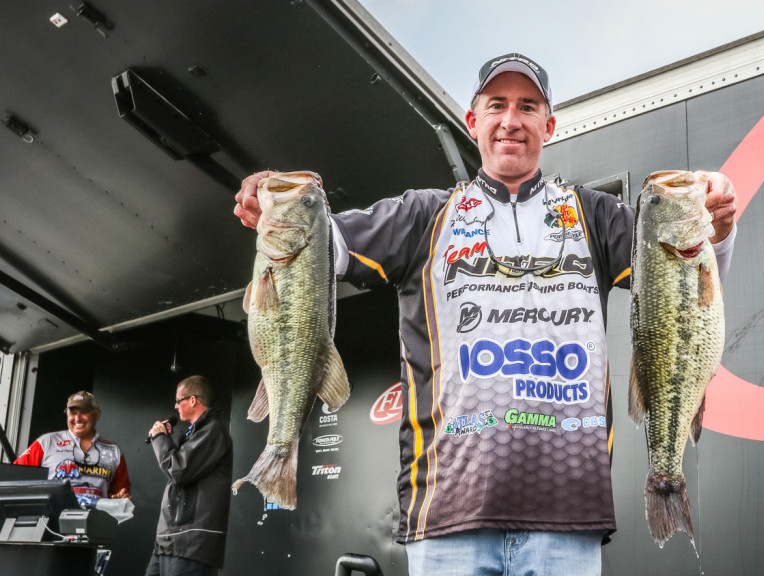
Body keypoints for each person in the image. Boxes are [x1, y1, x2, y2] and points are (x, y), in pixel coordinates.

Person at [233, 52, 737, 575]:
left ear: (549, 124)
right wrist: (276, 208)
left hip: (568, 515)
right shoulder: (422, 214)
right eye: (497, 105)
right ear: (473, 122)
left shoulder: (595, 214)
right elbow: (325, 244)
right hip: (447, 514)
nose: (511, 121)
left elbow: (681, 290)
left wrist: (717, 232)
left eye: (528, 106)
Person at [145, 375, 233, 576]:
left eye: (178, 401)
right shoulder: (196, 433)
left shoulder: (213, 431)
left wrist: (159, 438)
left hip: (191, 544)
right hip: (169, 541)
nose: (175, 406)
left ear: (192, 400)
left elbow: (177, 470)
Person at [14, 390, 131, 505]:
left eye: (84, 412)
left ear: (97, 414)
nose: (77, 418)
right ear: (67, 414)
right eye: (73, 413)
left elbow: (121, 492)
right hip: (51, 521)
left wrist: (121, 497)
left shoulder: (113, 450)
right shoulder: (46, 442)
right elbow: (15, 477)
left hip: (95, 520)